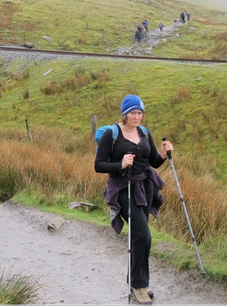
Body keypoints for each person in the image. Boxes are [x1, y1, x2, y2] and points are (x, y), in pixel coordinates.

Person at [95, 94, 173, 304]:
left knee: (140, 237)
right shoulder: (112, 134)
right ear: (124, 114)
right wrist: (120, 164)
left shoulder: (145, 133)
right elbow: (98, 165)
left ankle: (135, 281)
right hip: (122, 188)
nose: (137, 117)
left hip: (145, 187)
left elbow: (154, 162)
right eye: (132, 113)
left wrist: (165, 155)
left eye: (139, 113)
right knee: (143, 235)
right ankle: (139, 286)